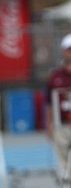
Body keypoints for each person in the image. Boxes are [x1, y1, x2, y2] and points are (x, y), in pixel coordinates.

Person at [47, 33, 71, 169]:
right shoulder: (56, 76)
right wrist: (50, 124)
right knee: (64, 165)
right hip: (61, 124)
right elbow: (49, 102)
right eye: (69, 49)